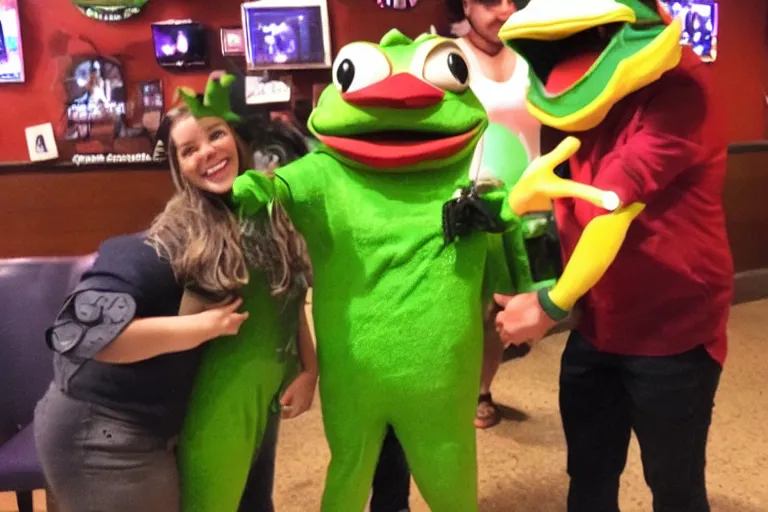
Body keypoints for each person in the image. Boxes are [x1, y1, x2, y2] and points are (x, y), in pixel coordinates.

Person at [33, 74, 317, 512]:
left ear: (238, 141)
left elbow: (287, 293)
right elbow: (82, 334)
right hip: (105, 428)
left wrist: (308, 368)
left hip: (180, 416)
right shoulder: (169, 239)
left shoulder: (260, 214)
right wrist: (198, 328)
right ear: (179, 168)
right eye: (189, 150)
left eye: (216, 135)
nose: (207, 152)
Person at [495, 2, 733, 510]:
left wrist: (549, 304)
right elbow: (559, 191)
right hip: (596, 322)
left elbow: (610, 203)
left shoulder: (680, 86)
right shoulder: (562, 85)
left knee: (675, 488)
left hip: (673, 331)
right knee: (588, 478)